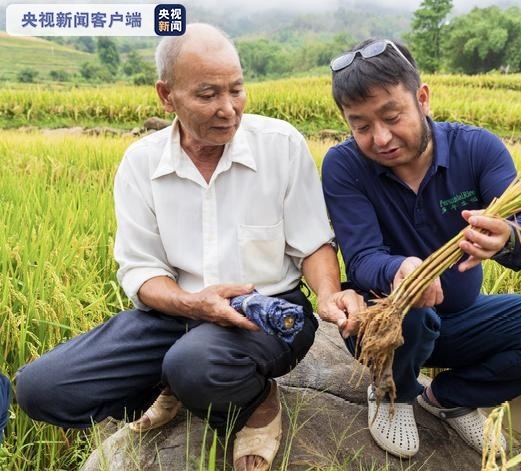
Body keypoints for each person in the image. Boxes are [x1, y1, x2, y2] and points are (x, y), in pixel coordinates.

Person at [15, 23, 363, 471]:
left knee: (194, 363)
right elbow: (141, 270)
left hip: (268, 313)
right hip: (175, 312)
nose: (228, 109)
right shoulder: (142, 164)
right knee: (42, 389)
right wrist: (193, 304)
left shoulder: (280, 145)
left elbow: (312, 242)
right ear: (166, 95)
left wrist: (329, 294)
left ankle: (258, 402)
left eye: (236, 90)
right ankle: (174, 383)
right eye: (207, 95)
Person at [321, 39, 521, 459]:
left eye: (392, 117)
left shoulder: (478, 148)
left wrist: (507, 235)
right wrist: (402, 270)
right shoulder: (344, 166)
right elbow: (360, 257)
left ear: (423, 98)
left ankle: (447, 397)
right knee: (412, 310)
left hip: (464, 317)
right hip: (390, 324)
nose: (380, 137)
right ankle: (392, 390)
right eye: (360, 126)